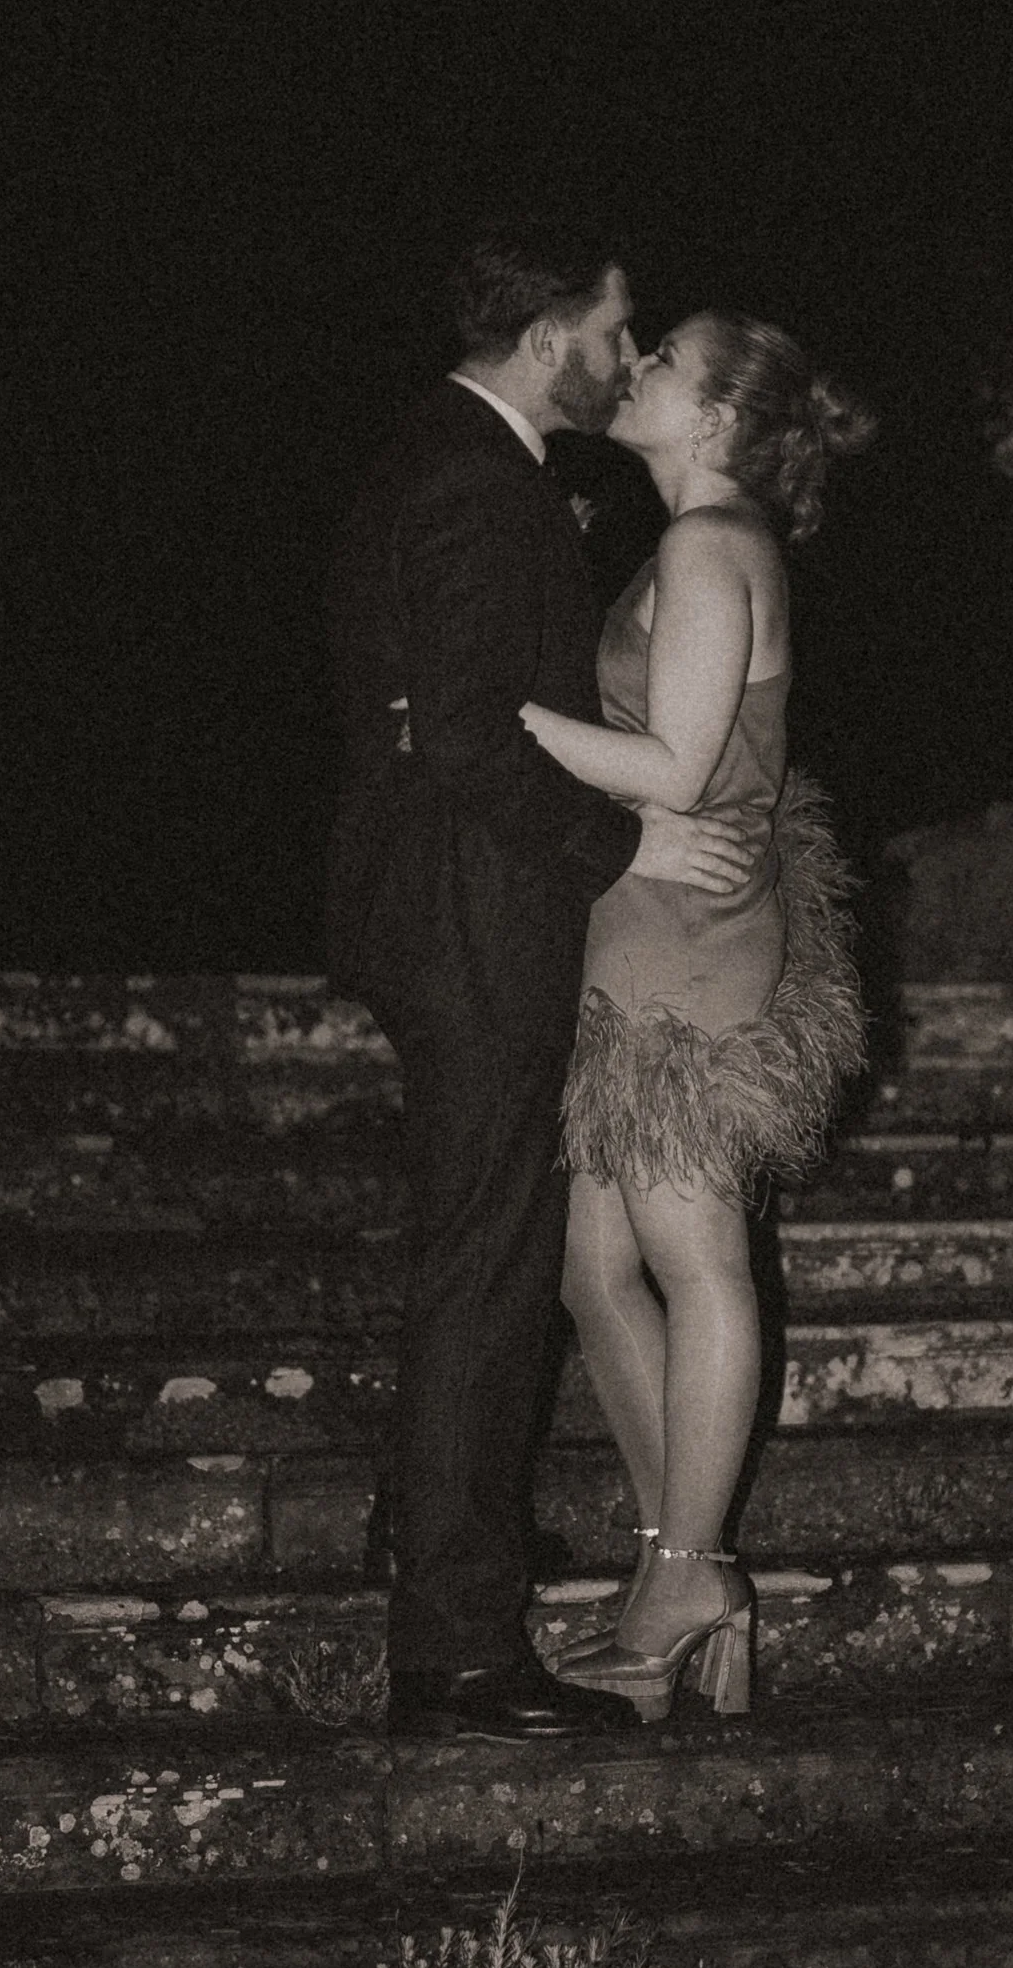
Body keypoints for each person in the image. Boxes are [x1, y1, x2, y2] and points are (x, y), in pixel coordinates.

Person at [324, 228, 763, 1742]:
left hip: (465, 911)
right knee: (490, 1265)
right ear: (547, 336)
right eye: (611, 328)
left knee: (497, 1254)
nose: (620, 354)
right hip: (472, 917)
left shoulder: (467, 459)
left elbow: (449, 698)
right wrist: (626, 835)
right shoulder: (469, 471)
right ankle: (454, 1644)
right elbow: (454, 726)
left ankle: (445, 1532)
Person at [516, 311, 872, 1719]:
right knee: (593, 1260)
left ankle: (681, 1576)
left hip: (688, 934)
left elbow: (670, 766)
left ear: (718, 419)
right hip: (650, 923)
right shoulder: (699, 539)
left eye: (664, 358)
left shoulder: (711, 545)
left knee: (689, 1247)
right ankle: (694, 1563)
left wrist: (505, 721)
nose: (640, 368)